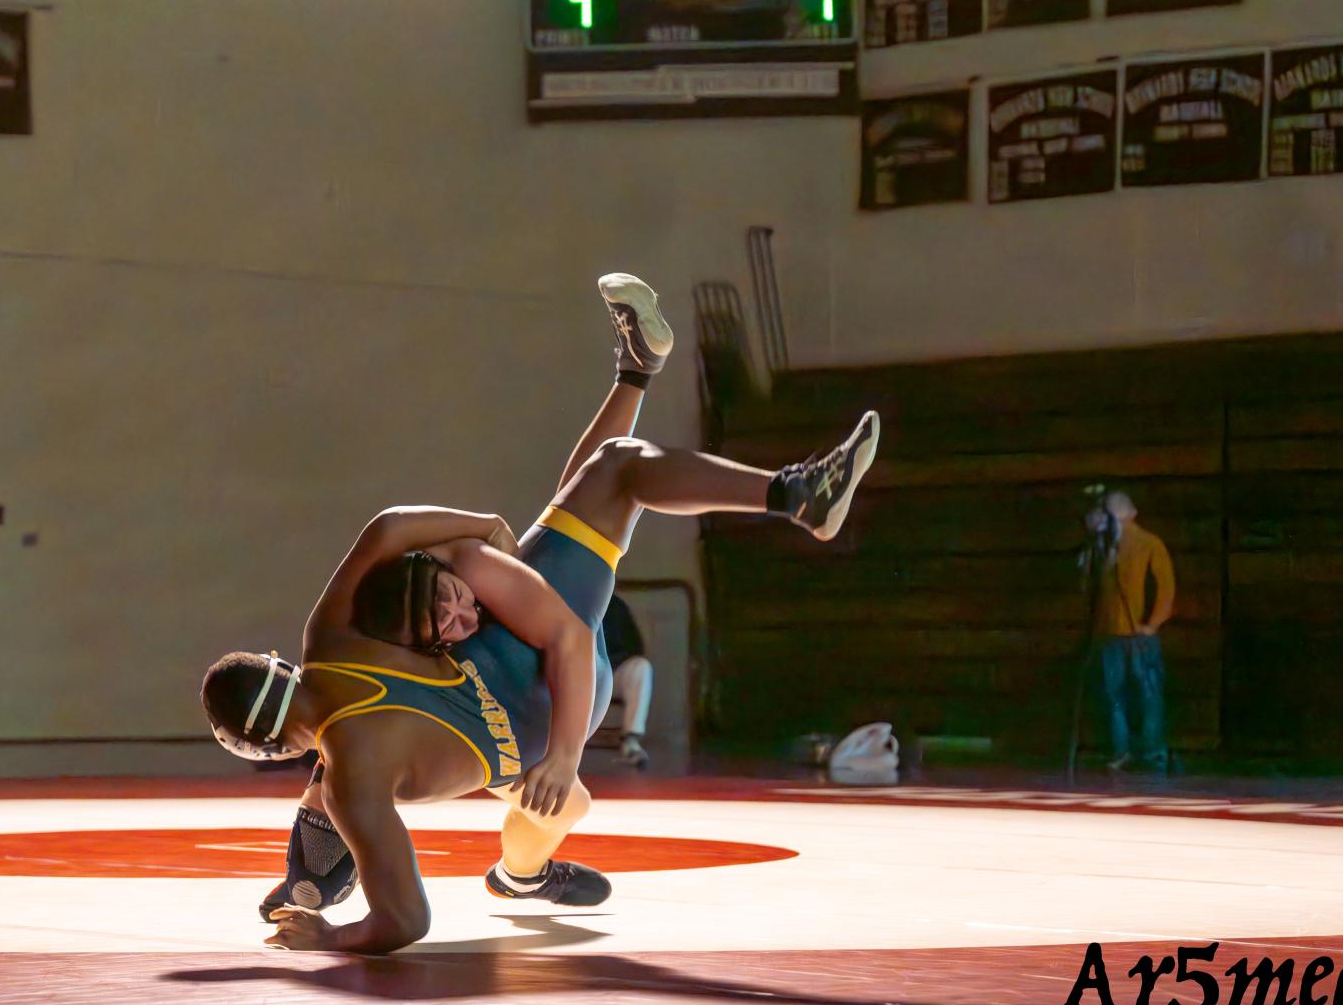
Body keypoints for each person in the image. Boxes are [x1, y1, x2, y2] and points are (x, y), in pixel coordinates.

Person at [201, 273, 880, 955]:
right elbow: (391, 531)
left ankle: (518, 877)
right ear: (279, 663)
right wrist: (483, 540)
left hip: (525, 721)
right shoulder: (330, 642)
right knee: (610, 478)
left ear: (274, 751)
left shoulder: (350, 777)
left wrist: (327, 937)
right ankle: (789, 490)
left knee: (557, 796)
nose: (456, 611)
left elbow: (404, 922)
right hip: (542, 677)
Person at [1087, 489, 1176, 773]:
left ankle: (1152, 753)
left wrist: (1152, 623)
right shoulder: (1103, 549)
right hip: (1111, 635)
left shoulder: (1149, 544)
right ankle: (1122, 750)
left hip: (1139, 636)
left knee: (1147, 696)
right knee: (1114, 696)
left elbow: (1165, 588)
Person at [601, 593, 653, 769]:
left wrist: (607, 663)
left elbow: (635, 647)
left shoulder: (614, 605)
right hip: (572, 677)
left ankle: (631, 740)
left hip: (610, 673)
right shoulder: (563, 601)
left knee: (641, 667)